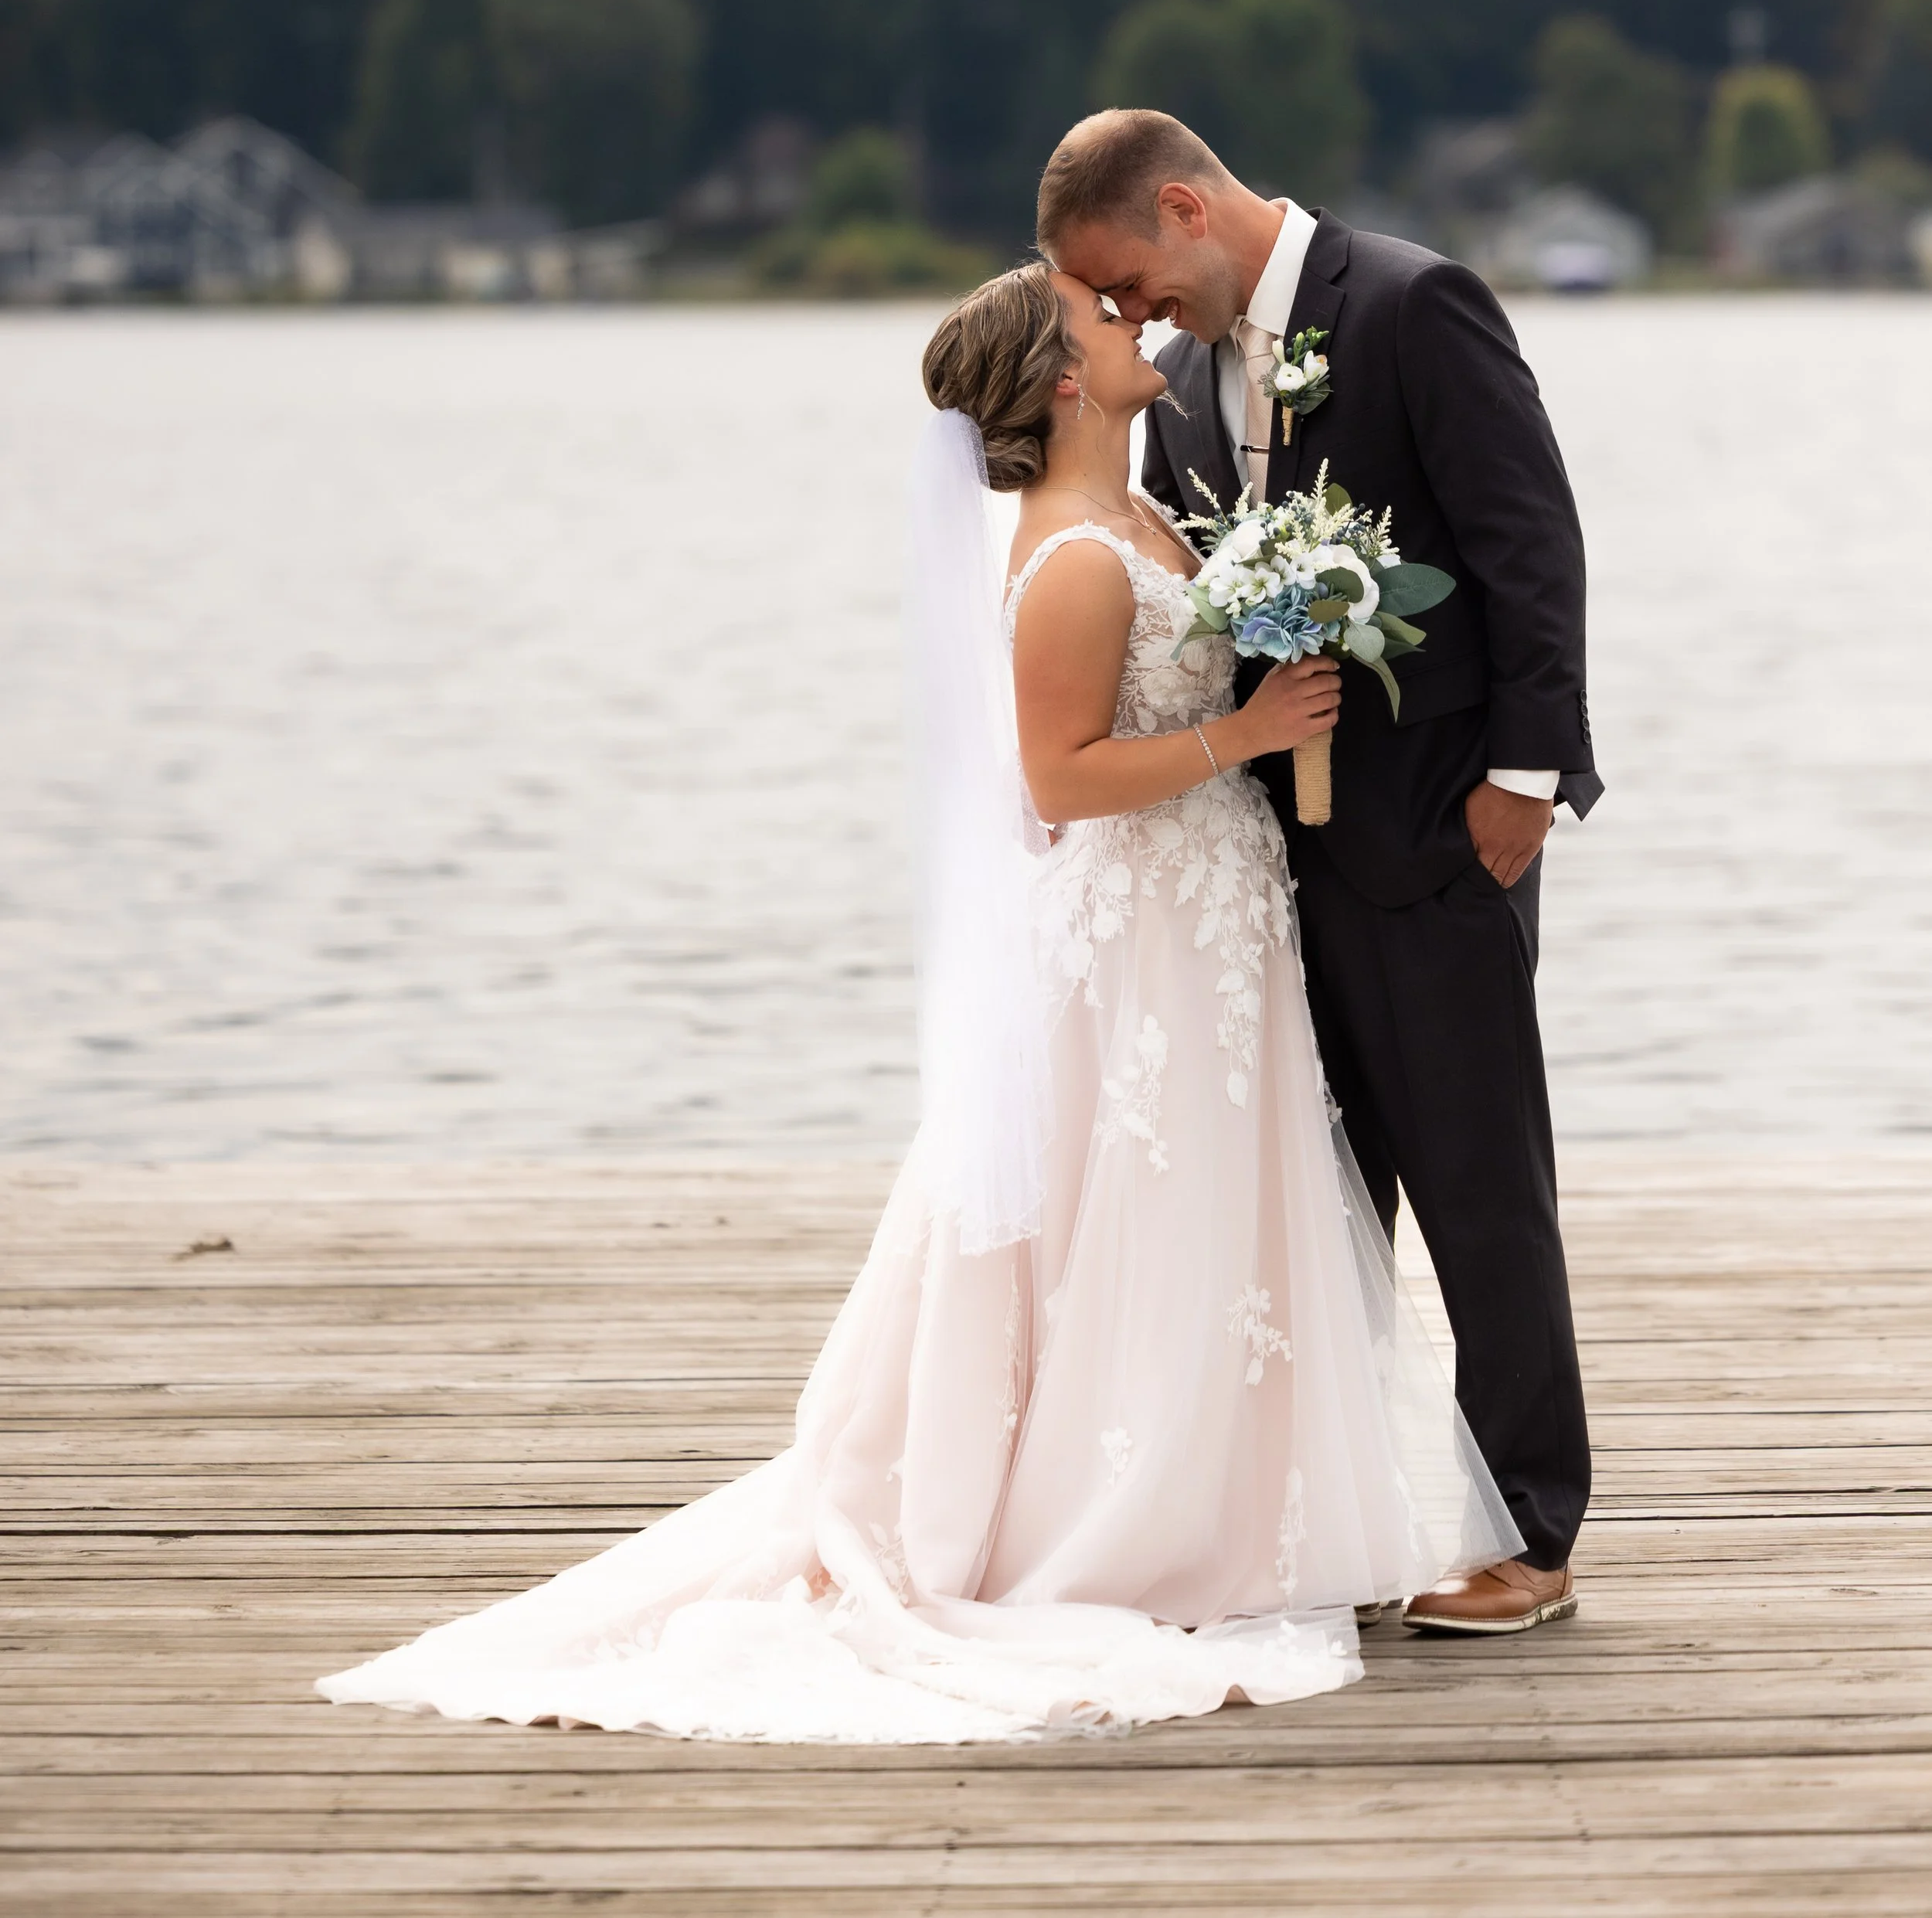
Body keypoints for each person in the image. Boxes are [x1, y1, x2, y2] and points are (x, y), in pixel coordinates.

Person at [318, 262, 1519, 1743]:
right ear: (1065, 377)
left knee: (1194, 1212)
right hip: (1139, 931)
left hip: (1207, 921)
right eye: (1099, 315)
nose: (1129, 322)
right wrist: (1244, 729)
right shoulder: (1075, 556)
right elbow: (1060, 779)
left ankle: (1219, 1503)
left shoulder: (1144, 511)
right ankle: (1117, 1521)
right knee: (1134, 1208)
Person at [1039, 108, 1597, 1634]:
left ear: (1184, 207)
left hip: (1438, 837)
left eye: (1134, 284)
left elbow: (1525, 548)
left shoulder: (1415, 306)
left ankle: (1529, 1536)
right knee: (1314, 1201)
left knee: (1479, 1190)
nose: (1133, 319)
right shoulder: (1190, 381)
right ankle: (1321, 1522)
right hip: (1268, 867)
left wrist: (1524, 782)